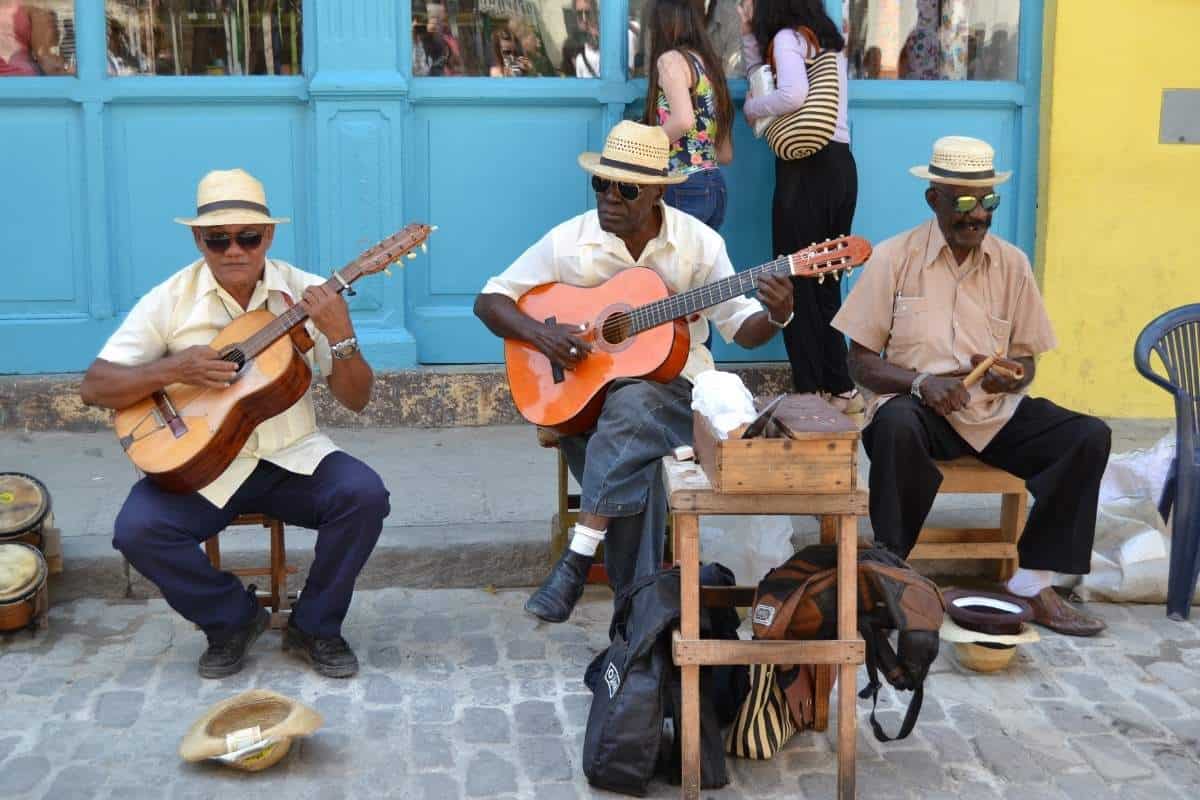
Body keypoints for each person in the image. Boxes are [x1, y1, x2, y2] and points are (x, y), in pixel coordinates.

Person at [474, 121, 795, 623]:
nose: (609, 199)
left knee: (636, 403)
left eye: (625, 189)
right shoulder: (570, 240)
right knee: (637, 463)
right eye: (601, 184)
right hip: (586, 408)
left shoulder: (699, 244)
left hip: (677, 398)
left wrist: (775, 315)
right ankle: (638, 623)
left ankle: (582, 563)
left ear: (656, 194)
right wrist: (544, 338)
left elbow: (741, 325)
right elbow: (490, 299)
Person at [79, 169, 390, 678]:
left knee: (364, 496)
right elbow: (95, 385)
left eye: (248, 236)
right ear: (197, 239)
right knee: (136, 530)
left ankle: (315, 625)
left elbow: (358, 400)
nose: (233, 250)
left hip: (292, 457)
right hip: (204, 466)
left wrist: (343, 334)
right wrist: (174, 368)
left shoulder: (308, 294)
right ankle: (231, 620)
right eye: (216, 239)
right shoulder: (170, 299)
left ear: (268, 235)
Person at [831, 136, 1111, 637]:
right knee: (894, 425)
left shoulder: (1012, 264)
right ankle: (892, 574)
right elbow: (860, 362)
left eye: (987, 202)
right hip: (920, 412)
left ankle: (1031, 583)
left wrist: (1014, 375)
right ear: (932, 199)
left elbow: (1026, 359)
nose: (976, 215)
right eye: (962, 202)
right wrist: (921, 382)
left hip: (992, 413)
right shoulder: (894, 258)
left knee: (1088, 435)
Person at [740, 0, 861, 414]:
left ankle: (810, 389)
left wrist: (752, 108)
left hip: (806, 170)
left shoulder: (788, 40)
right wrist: (747, 34)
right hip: (841, 167)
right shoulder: (826, 44)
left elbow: (791, 94)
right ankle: (839, 387)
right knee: (826, 279)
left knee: (794, 277)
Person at [643, 0, 734, 231]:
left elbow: (683, 120)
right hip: (714, 184)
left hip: (682, 183)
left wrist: (642, 146)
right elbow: (725, 154)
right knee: (701, 266)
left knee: (673, 265)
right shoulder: (709, 65)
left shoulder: (671, 60)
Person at [572, 0, 637, 77]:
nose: (584, 19)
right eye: (579, 13)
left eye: (587, 13)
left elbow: (628, 75)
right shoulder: (578, 54)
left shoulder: (620, 36)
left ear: (596, 13)